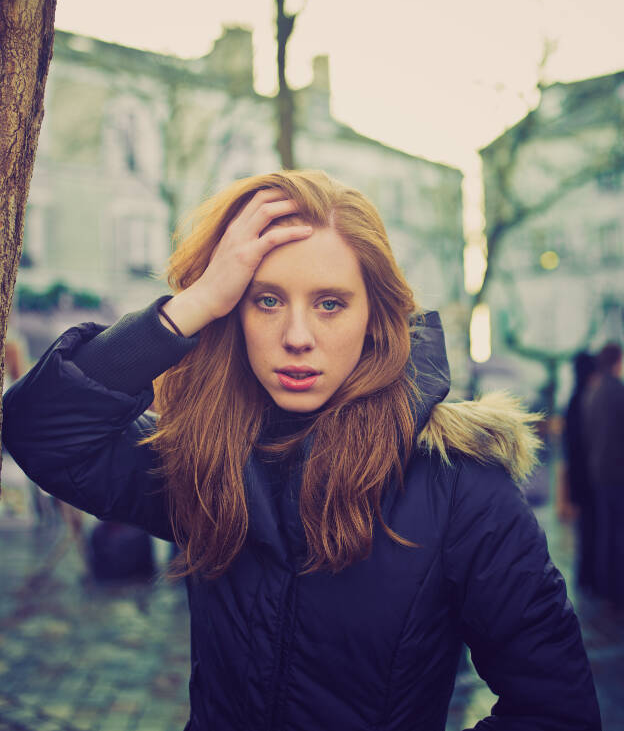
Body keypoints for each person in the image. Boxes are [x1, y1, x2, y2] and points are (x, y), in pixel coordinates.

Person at [3, 170, 601, 730]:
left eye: (330, 303)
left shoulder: (460, 484)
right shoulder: (207, 458)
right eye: (266, 300)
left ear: (375, 318)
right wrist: (197, 302)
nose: (296, 337)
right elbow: (42, 430)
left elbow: (555, 709)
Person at [583, 342, 624, 612]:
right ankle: (616, 589)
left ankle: (604, 585)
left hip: (598, 471)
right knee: (617, 533)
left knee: (606, 530)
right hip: (617, 473)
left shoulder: (594, 392)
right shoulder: (617, 391)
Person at [562, 352, 598, 593]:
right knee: (592, 527)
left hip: (578, 473)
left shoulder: (574, 399)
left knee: (586, 528)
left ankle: (586, 576)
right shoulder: (586, 399)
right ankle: (590, 576)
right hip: (589, 474)